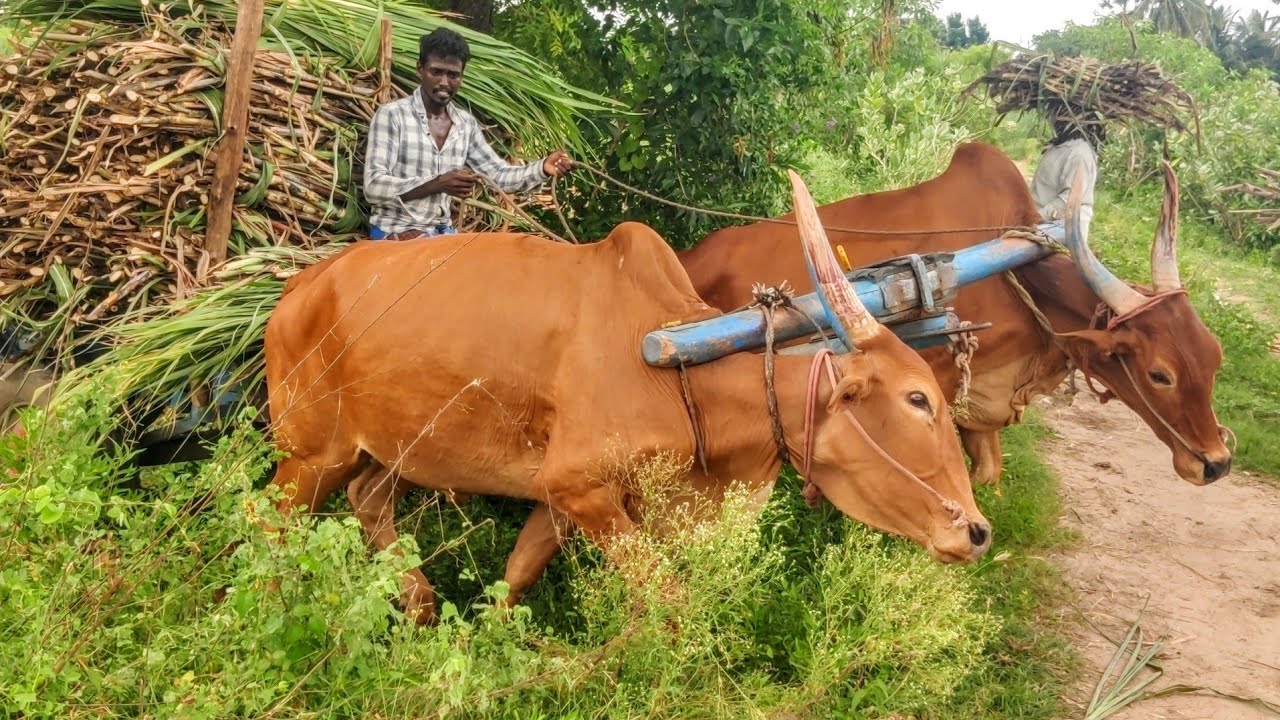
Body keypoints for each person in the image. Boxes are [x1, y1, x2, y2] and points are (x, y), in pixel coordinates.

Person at [363, 28, 574, 239]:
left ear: (461, 77)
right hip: (395, 230)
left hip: (441, 234)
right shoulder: (392, 115)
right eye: (436, 72)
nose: (444, 82)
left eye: (453, 75)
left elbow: (497, 175)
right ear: (420, 69)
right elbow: (373, 187)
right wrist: (436, 184)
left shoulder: (465, 125)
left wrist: (542, 168)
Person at [1029, 112, 1105, 233]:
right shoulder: (1061, 146)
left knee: (1002, 244)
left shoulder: (1079, 153)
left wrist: (1037, 217)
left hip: (1062, 227)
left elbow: (1069, 199)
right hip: (1042, 222)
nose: (1053, 120)